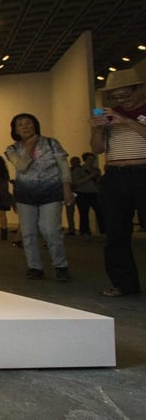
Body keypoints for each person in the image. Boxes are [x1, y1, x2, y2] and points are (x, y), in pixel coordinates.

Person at [90, 68, 146, 297]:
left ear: (139, 89)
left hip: (143, 170)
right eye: (117, 97)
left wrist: (125, 119)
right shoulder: (110, 115)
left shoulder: (132, 113)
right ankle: (124, 284)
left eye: (126, 95)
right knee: (115, 233)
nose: (121, 101)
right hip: (114, 174)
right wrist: (96, 129)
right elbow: (97, 149)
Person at [5, 113, 73, 282]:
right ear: (15, 130)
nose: (25, 126)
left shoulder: (51, 143)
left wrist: (67, 188)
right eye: (20, 124)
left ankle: (60, 265)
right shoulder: (12, 149)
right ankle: (34, 267)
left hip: (51, 191)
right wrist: (30, 147)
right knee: (28, 233)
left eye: (29, 123)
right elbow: (21, 166)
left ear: (35, 125)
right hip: (25, 194)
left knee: (51, 230)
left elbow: (63, 166)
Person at [72, 152, 102, 236]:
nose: (91, 161)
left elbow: (98, 182)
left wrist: (98, 178)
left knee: (100, 211)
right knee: (84, 213)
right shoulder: (78, 170)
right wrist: (90, 176)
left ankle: (103, 230)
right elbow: (76, 182)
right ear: (85, 160)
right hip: (82, 193)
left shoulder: (96, 170)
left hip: (94, 193)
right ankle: (85, 231)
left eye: (93, 159)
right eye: (90, 159)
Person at [63, 156, 81, 235]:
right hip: (71, 191)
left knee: (80, 211)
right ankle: (71, 228)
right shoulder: (69, 170)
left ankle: (74, 228)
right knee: (70, 211)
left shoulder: (81, 170)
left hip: (79, 191)